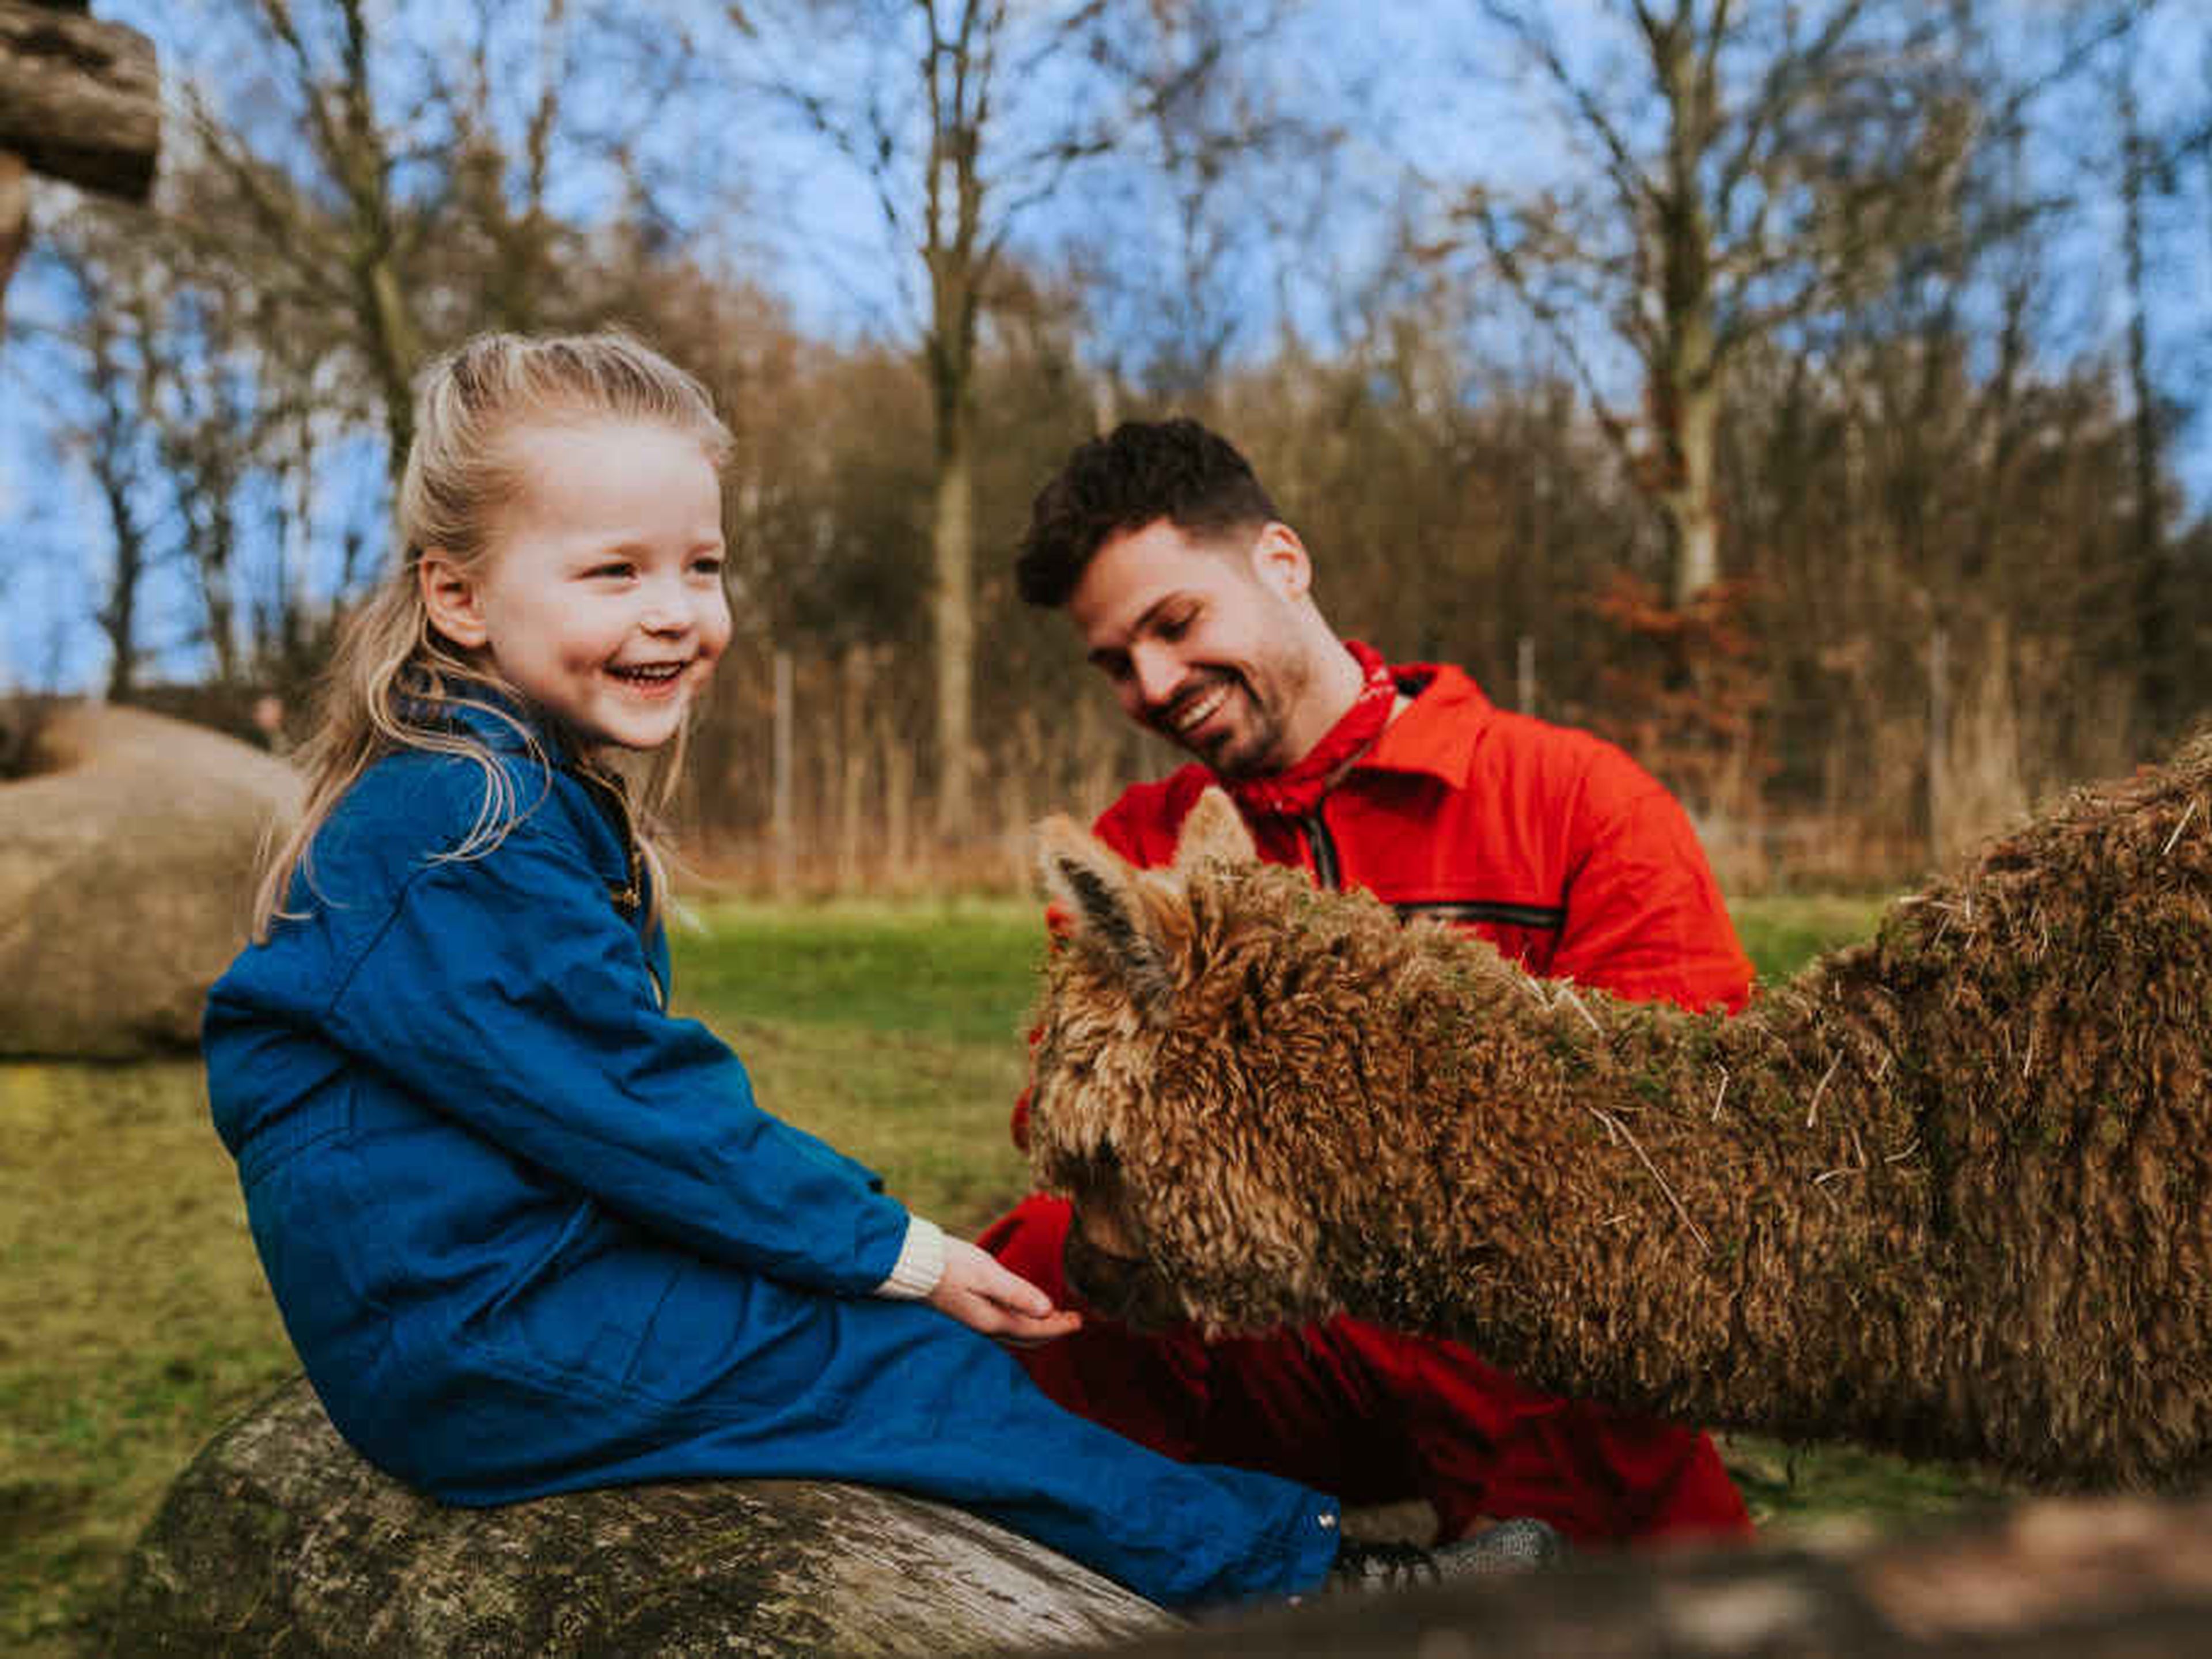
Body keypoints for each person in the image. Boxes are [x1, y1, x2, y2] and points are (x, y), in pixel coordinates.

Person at [201, 331, 1546, 1613]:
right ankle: (1295, 1581)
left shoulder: (492, 789)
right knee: (904, 1367)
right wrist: (895, 1253)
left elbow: (585, 1107)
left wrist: (842, 1254)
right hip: (479, 1334)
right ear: (457, 596)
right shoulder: (460, 822)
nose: (675, 614)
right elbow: (637, 1106)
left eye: (701, 566)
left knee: (884, 1335)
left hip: (496, 1289)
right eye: (613, 572)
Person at [982, 416, 1759, 1548]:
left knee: (1622, 1335)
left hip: (1528, 1348)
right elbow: (1073, 1123)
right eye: (1115, 663)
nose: (1152, 684)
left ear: (1282, 562)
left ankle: (1538, 1558)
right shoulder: (1141, 848)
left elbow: (1674, 1139)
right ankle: (1200, 1558)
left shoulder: (1575, 803)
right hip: (1268, 1327)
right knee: (1050, 1257)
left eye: (1176, 624)